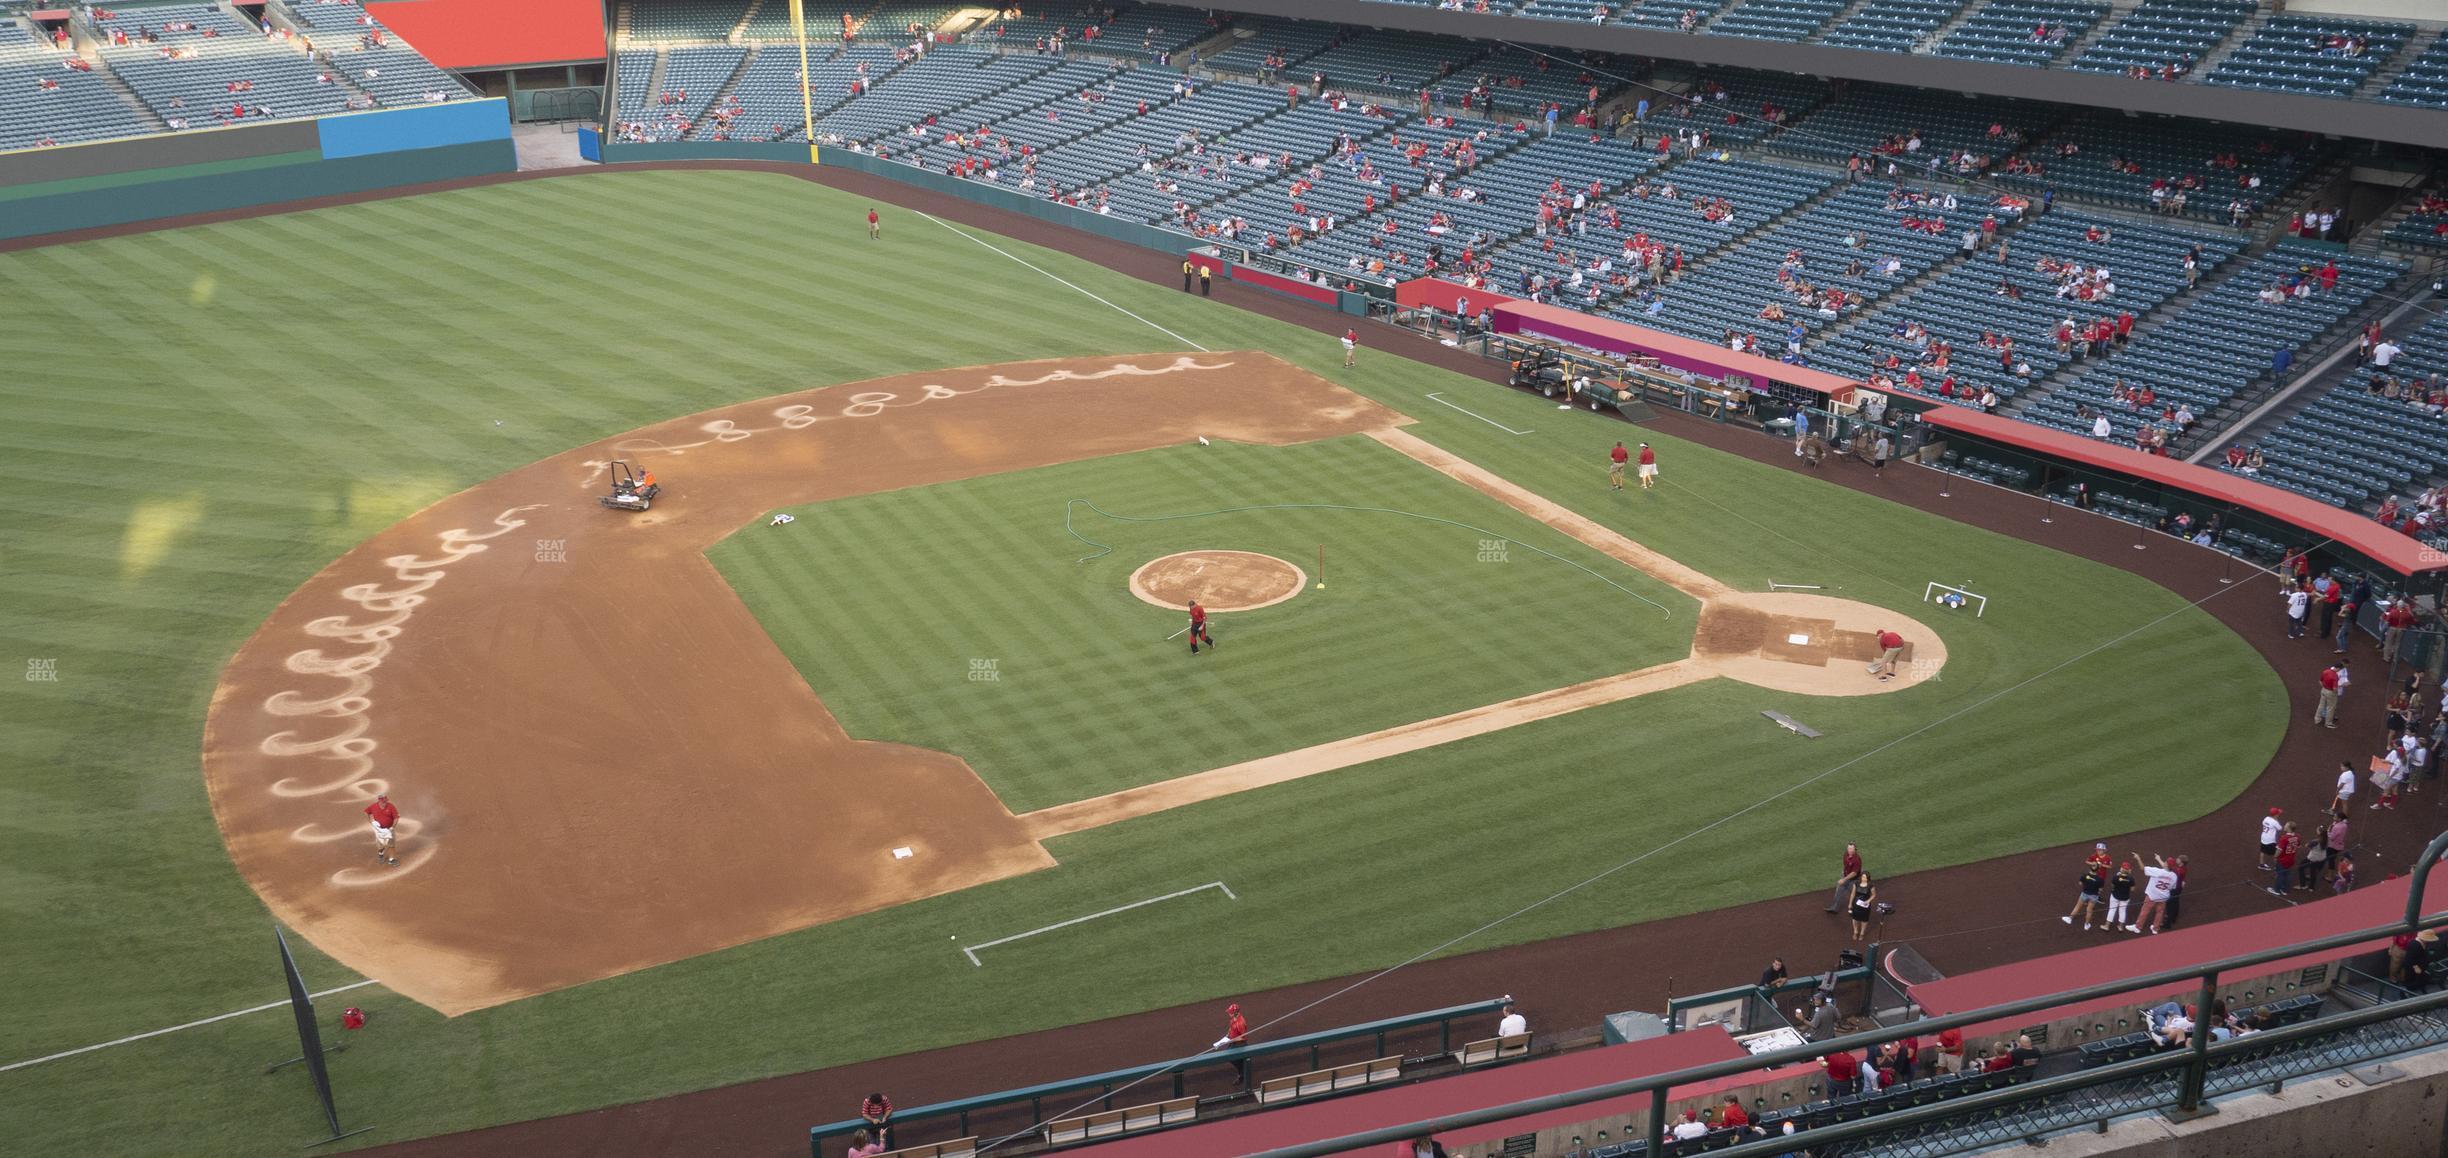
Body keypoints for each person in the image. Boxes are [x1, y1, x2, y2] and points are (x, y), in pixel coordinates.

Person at [2132, 853, 2178, 933]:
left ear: (2167, 865)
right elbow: (2172, 888)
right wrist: (2158, 859)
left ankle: (2138, 927)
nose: (2165, 862)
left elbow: (2143, 868)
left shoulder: (2157, 871)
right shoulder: (2174, 876)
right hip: (2163, 897)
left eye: (2166, 862)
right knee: (2159, 913)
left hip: (2152, 896)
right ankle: (2155, 929)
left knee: (2145, 911)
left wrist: (2138, 858)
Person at [363, 793, 399, 866]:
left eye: (386, 801)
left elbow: (396, 818)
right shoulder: (373, 806)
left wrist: (392, 827)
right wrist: (370, 822)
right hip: (379, 830)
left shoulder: (391, 806)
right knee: (381, 845)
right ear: (379, 801)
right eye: (383, 802)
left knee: (391, 845)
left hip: (389, 829)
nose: (385, 803)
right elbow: (366, 812)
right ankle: (381, 854)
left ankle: (391, 860)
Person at [1828, 842, 1864, 912]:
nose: (1849, 850)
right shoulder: (1846, 854)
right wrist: (1844, 873)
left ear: (1855, 849)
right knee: (1838, 891)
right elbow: (1846, 865)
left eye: (1851, 848)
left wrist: (1844, 879)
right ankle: (1834, 907)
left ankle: (1860, 908)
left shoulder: (1856, 859)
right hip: (1846, 876)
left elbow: (1854, 873)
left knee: (1856, 894)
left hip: (1854, 880)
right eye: (1848, 848)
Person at [1220, 1001, 1250, 1086]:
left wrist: (1231, 1040)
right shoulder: (1233, 1018)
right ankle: (1242, 1070)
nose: (1229, 1013)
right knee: (1230, 1057)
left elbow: (1244, 1037)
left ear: (1235, 1012)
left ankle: (1242, 1073)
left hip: (1240, 1044)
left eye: (1230, 1012)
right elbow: (1231, 1029)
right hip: (1233, 1042)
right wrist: (1227, 1036)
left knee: (1232, 1058)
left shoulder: (1241, 1023)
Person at [2268, 822, 2298, 897]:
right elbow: (2298, 846)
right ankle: (2284, 890)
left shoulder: (2284, 838)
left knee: (2280, 875)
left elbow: (2279, 850)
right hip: (2291, 859)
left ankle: (2276, 890)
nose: (2284, 826)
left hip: (2283, 859)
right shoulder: (2297, 836)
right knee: (2287, 875)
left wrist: (2275, 856)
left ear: (2289, 828)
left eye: (2286, 825)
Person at [2105, 859, 2136, 932]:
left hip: (2115, 896)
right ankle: (2121, 927)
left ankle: (2106, 926)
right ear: (2128, 870)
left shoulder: (2116, 877)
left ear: (2121, 868)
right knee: (2122, 911)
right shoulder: (2131, 879)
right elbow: (2132, 889)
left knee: (2112, 910)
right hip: (2125, 897)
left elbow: (2112, 885)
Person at [1849, 873, 1877, 942]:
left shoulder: (1871, 886)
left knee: (1864, 920)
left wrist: (1868, 901)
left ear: (1868, 878)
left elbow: (1874, 895)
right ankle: (1855, 931)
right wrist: (1850, 904)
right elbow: (1853, 894)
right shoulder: (1856, 883)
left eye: (1865, 877)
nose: (1864, 878)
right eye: (1863, 877)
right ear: (1861, 877)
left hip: (1865, 905)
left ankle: (1862, 933)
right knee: (1854, 918)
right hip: (1856, 904)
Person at [2315, 663, 2343, 728]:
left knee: (2321, 705)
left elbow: (2320, 681)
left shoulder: (2325, 671)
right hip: (2331, 693)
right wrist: (2336, 693)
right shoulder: (2335, 676)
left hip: (2323, 690)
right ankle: (2328, 723)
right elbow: (2335, 688)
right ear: (2338, 668)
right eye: (2340, 669)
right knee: (2331, 708)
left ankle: (2317, 719)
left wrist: (2324, 687)